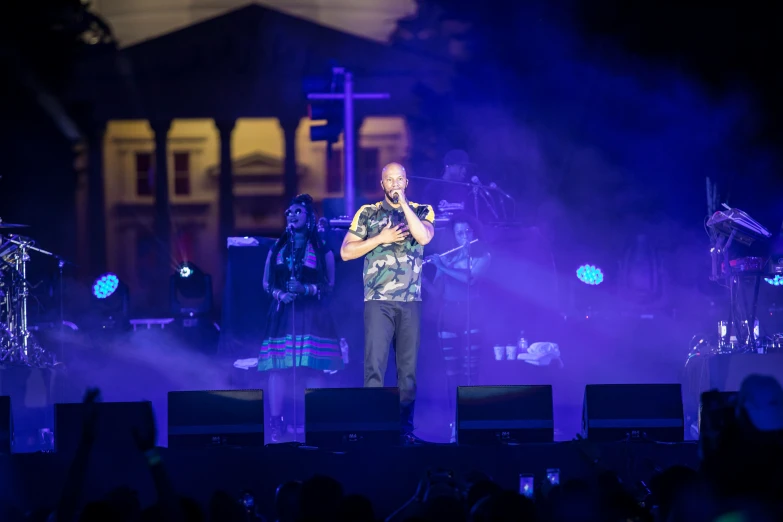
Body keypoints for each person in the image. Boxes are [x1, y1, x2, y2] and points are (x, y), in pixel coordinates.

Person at [340, 162, 435, 444]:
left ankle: (405, 430)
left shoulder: (422, 210)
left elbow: (423, 237)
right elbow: (346, 252)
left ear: (406, 182)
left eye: (399, 179)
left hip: (410, 301)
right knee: (375, 367)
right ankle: (374, 428)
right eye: (389, 180)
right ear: (382, 184)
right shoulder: (368, 213)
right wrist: (380, 238)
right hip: (378, 301)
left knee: (407, 371)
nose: (394, 184)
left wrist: (403, 204)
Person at [259, 194, 344, 442]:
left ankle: (315, 419)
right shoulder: (277, 247)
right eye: (289, 212)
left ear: (309, 217)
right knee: (278, 368)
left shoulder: (322, 248)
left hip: (313, 315)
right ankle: (276, 422)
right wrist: (280, 293)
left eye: (297, 212)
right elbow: (265, 282)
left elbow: (330, 284)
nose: (291, 215)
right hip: (284, 314)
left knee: (312, 367)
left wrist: (306, 289)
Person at [426, 213, 491, 442]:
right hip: (448, 315)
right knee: (451, 372)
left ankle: (472, 421)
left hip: (472, 313)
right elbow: (436, 292)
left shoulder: (483, 255)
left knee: (470, 371)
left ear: (474, 232)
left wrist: (443, 266)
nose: (464, 236)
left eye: (468, 232)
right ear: (453, 236)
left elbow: (470, 280)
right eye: (460, 233)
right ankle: (454, 423)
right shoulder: (449, 259)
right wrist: (417, 276)